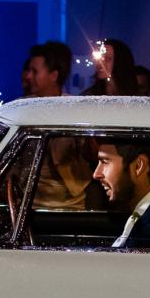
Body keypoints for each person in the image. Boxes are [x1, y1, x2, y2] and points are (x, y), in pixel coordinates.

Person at [22, 41, 95, 211]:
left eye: (35, 71)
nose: (28, 76)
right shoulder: (22, 107)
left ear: (53, 75)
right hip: (29, 205)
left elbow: (90, 154)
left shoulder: (74, 108)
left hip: (70, 206)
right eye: (28, 71)